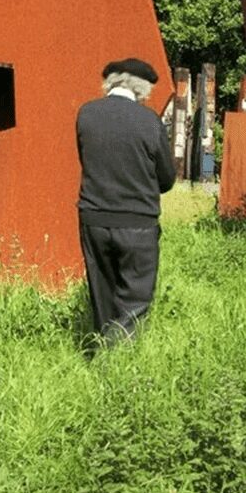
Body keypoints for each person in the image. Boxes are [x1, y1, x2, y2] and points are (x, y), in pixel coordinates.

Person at [75, 57, 176, 342]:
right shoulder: (149, 121)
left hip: (93, 218)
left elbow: (87, 160)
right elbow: (167, 179)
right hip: (137, 223)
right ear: (142, 89)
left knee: (102, 292)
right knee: (134, 299)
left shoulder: (86, 114)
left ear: (111, 82)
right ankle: (117, 364)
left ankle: (99, 349)